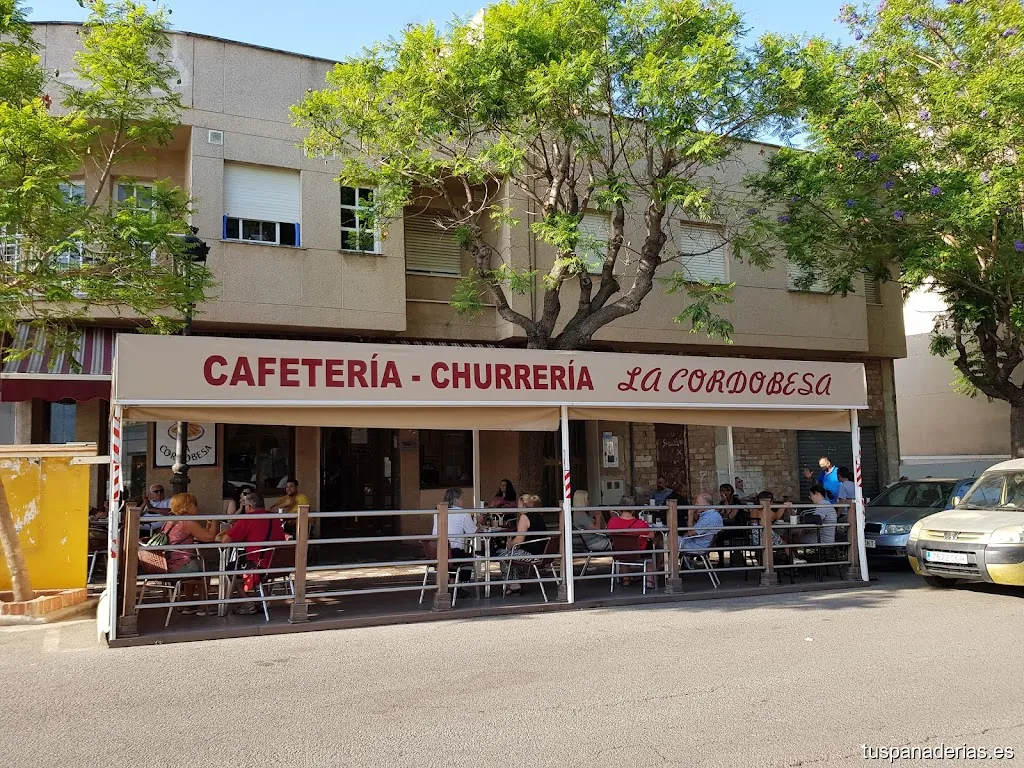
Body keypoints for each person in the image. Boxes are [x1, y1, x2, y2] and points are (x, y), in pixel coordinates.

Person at [218, 491, 289, 615]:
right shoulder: (275, 518)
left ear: (249, 506)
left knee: (231, 568)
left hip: (259, 565)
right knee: (258, 559)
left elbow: (225, 540)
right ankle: (264, 600)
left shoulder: (248, 519)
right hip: (278, 564)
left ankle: (248, 603)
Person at [162, 493, 218, 615]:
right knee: (205, 567)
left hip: (168, 563)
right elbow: (209, 538)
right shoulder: (188, 522)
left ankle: (188, 605)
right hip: (179, 565)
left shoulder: (170, 521)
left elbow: (201, 535)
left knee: (194, 566)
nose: (197, 507)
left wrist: (208, 525)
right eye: (194, 504)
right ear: (187, 506)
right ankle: (204, 607)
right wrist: (215, 521)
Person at [499, 494, 549, 595]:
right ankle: (514, 583)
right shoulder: (538, 516)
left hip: (531, 554)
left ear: (523, 505)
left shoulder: (524, 517)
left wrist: (509, 544)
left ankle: (513, 583)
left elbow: (519, 539)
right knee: (512, 553)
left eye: (518, 504)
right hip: (542, 552)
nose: (517, 506)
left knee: (503, 554)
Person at [607, 495, 655, 588]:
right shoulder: (640, 523)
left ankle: (626, 579)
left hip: (620, 552)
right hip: (638, 553)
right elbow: (652, 535)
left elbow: (609, 533)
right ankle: (649, 581)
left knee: (623, 547)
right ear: (633, 508)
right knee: (651, 551)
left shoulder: (612, 522)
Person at [432, 487, 479, 579]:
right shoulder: (463, 513)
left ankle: (452, 581)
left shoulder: (438, 512)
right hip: (453, 554)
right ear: (457, 500)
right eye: (462, 498)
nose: (463, 501)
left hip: (436, 552)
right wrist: (479, 522)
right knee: (467, 555)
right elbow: (472, 532)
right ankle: (460, 583)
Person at [799, 483, 838, 549]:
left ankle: (793, 555)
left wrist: (801, 520)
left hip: (821, 540)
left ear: (817, 493)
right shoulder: (826, 503)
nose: (810, 498)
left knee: (794, 537)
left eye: (811, 495)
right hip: (827, 538)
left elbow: (817, 519)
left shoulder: (823, 505)